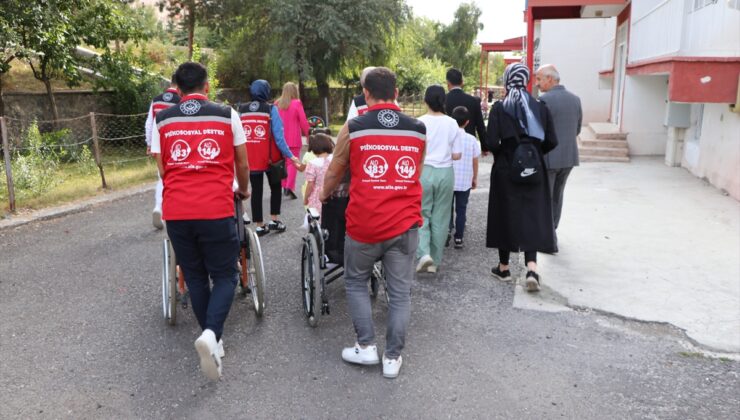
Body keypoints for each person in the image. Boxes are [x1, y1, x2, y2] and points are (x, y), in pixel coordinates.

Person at [321, 67, 425, 379]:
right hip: (405, 224)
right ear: (396, 92)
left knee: (354, 281)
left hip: (364, 223)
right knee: (400, 292)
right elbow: (415, 173)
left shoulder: (354, 127)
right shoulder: (417, 129)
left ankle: (366, 347)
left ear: (366, 93)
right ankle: (392, 358)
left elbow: (336, 171)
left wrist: (325, 195)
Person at [151, 62, 250, 380]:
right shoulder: (226, 114)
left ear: (177, 89)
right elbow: (242, 162)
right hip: (216, 208)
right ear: (207, 86)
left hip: (177, 211)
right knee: (225, 276)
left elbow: (163, 168)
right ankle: (211, 335)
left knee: (194, 277)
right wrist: (244, 190)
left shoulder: (162, 119)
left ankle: (214, 339)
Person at [486, 63, 558, 292]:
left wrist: (505, 154)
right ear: (527, 80)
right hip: (534, 171)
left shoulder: (500, 108)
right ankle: (532, 268)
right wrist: (533, 154)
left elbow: (490, 142)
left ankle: (504, 267)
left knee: (505, 215)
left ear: (508, 80)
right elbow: (552, 141)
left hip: (506, 172)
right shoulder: (540, 106)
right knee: (531, 216)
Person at [238, 80, 303, 235]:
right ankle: (274, 220)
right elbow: (279, 137)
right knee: (275, 188)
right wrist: (291, 155)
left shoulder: (242, 109)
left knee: (257, 190)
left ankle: (260, 225)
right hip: (271, 158)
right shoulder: (270, 109)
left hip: (251, 157)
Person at [416, 85, 462, 274]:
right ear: (444, 101)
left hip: (424, 171)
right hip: (445, 173)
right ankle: (435, 262)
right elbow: (457, 155)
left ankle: (423, 253)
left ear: (425, 100)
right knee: (441, 217)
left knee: (421, 214)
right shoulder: (452, 123)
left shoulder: (418, 123)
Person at [535, 64, 582, 238]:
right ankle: (552, 230)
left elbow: (538, 131)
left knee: (545, 197)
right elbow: (577, 129)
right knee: (557, 195)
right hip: (568, 157)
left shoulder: (545, 101)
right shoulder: (575, 99)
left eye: (539, 79)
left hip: (549, 157)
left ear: (550, 79)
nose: (537, 84)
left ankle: (548, 237)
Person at [144, 75, 180, 229]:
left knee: (161, 177)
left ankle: (158, 207)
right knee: (178, 177)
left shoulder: (156, 99)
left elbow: (149, 123)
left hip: (159, 145)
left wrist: (149, 143)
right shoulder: (181, 99)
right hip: (176, 143)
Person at [449, 106, 481, 249]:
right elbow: (475, 161)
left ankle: (446, 232)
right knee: (461, 209)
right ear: (467, 122)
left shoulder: (448, 138)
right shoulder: (472, 139)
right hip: (465, 180)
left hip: (448, 179)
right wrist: (474, 177)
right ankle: (459, 237)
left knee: (446, 208)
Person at [276, 82, 310, 200]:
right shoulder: (296, 103)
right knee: (292, 163)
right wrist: (308, 136)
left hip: (279, 139)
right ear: (295, 91)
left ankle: (283, 185)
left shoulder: (277, 104)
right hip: (293, 139)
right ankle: (289, 187)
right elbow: (303, 122)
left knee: (283, 163)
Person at [444, 68, 488, 154]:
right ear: (462, 82)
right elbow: (480, 125)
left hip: (448, 145)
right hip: (469, 144)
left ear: (448, 83)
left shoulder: (443, 100)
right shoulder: (473, 101)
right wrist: (484, 147)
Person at [303, 133, 334, 216]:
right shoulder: (335, 159)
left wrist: (306, 198)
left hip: (318, 195)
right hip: (335, 192)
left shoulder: (313, 163)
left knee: (319, 219)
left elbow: (310, 184)